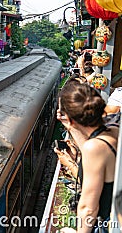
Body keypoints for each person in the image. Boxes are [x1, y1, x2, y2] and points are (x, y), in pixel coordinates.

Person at [55, 80, 118, 233]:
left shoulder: (95, 148)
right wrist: (71, 126)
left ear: (70, 117)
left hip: (109, 221)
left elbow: (88, 208)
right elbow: (94, 158)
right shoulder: (113, 126)